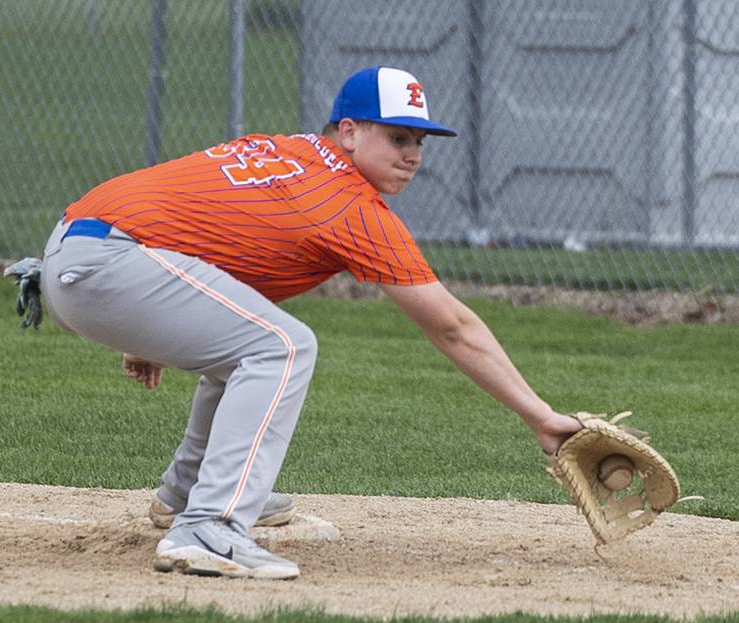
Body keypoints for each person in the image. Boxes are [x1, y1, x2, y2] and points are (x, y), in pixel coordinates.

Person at [37, 66, 581, 581]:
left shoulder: (289, 155)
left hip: (90, 257)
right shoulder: (347, 204)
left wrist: (147, 323)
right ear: (349, 131)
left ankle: (189, 493)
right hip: (111, 265)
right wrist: (542, 419)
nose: (413, 154)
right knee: (282, 346)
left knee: (250, 342)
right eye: (397, 137)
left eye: (420, 141)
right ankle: (209, 529)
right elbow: (452, 327)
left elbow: (214, 230)